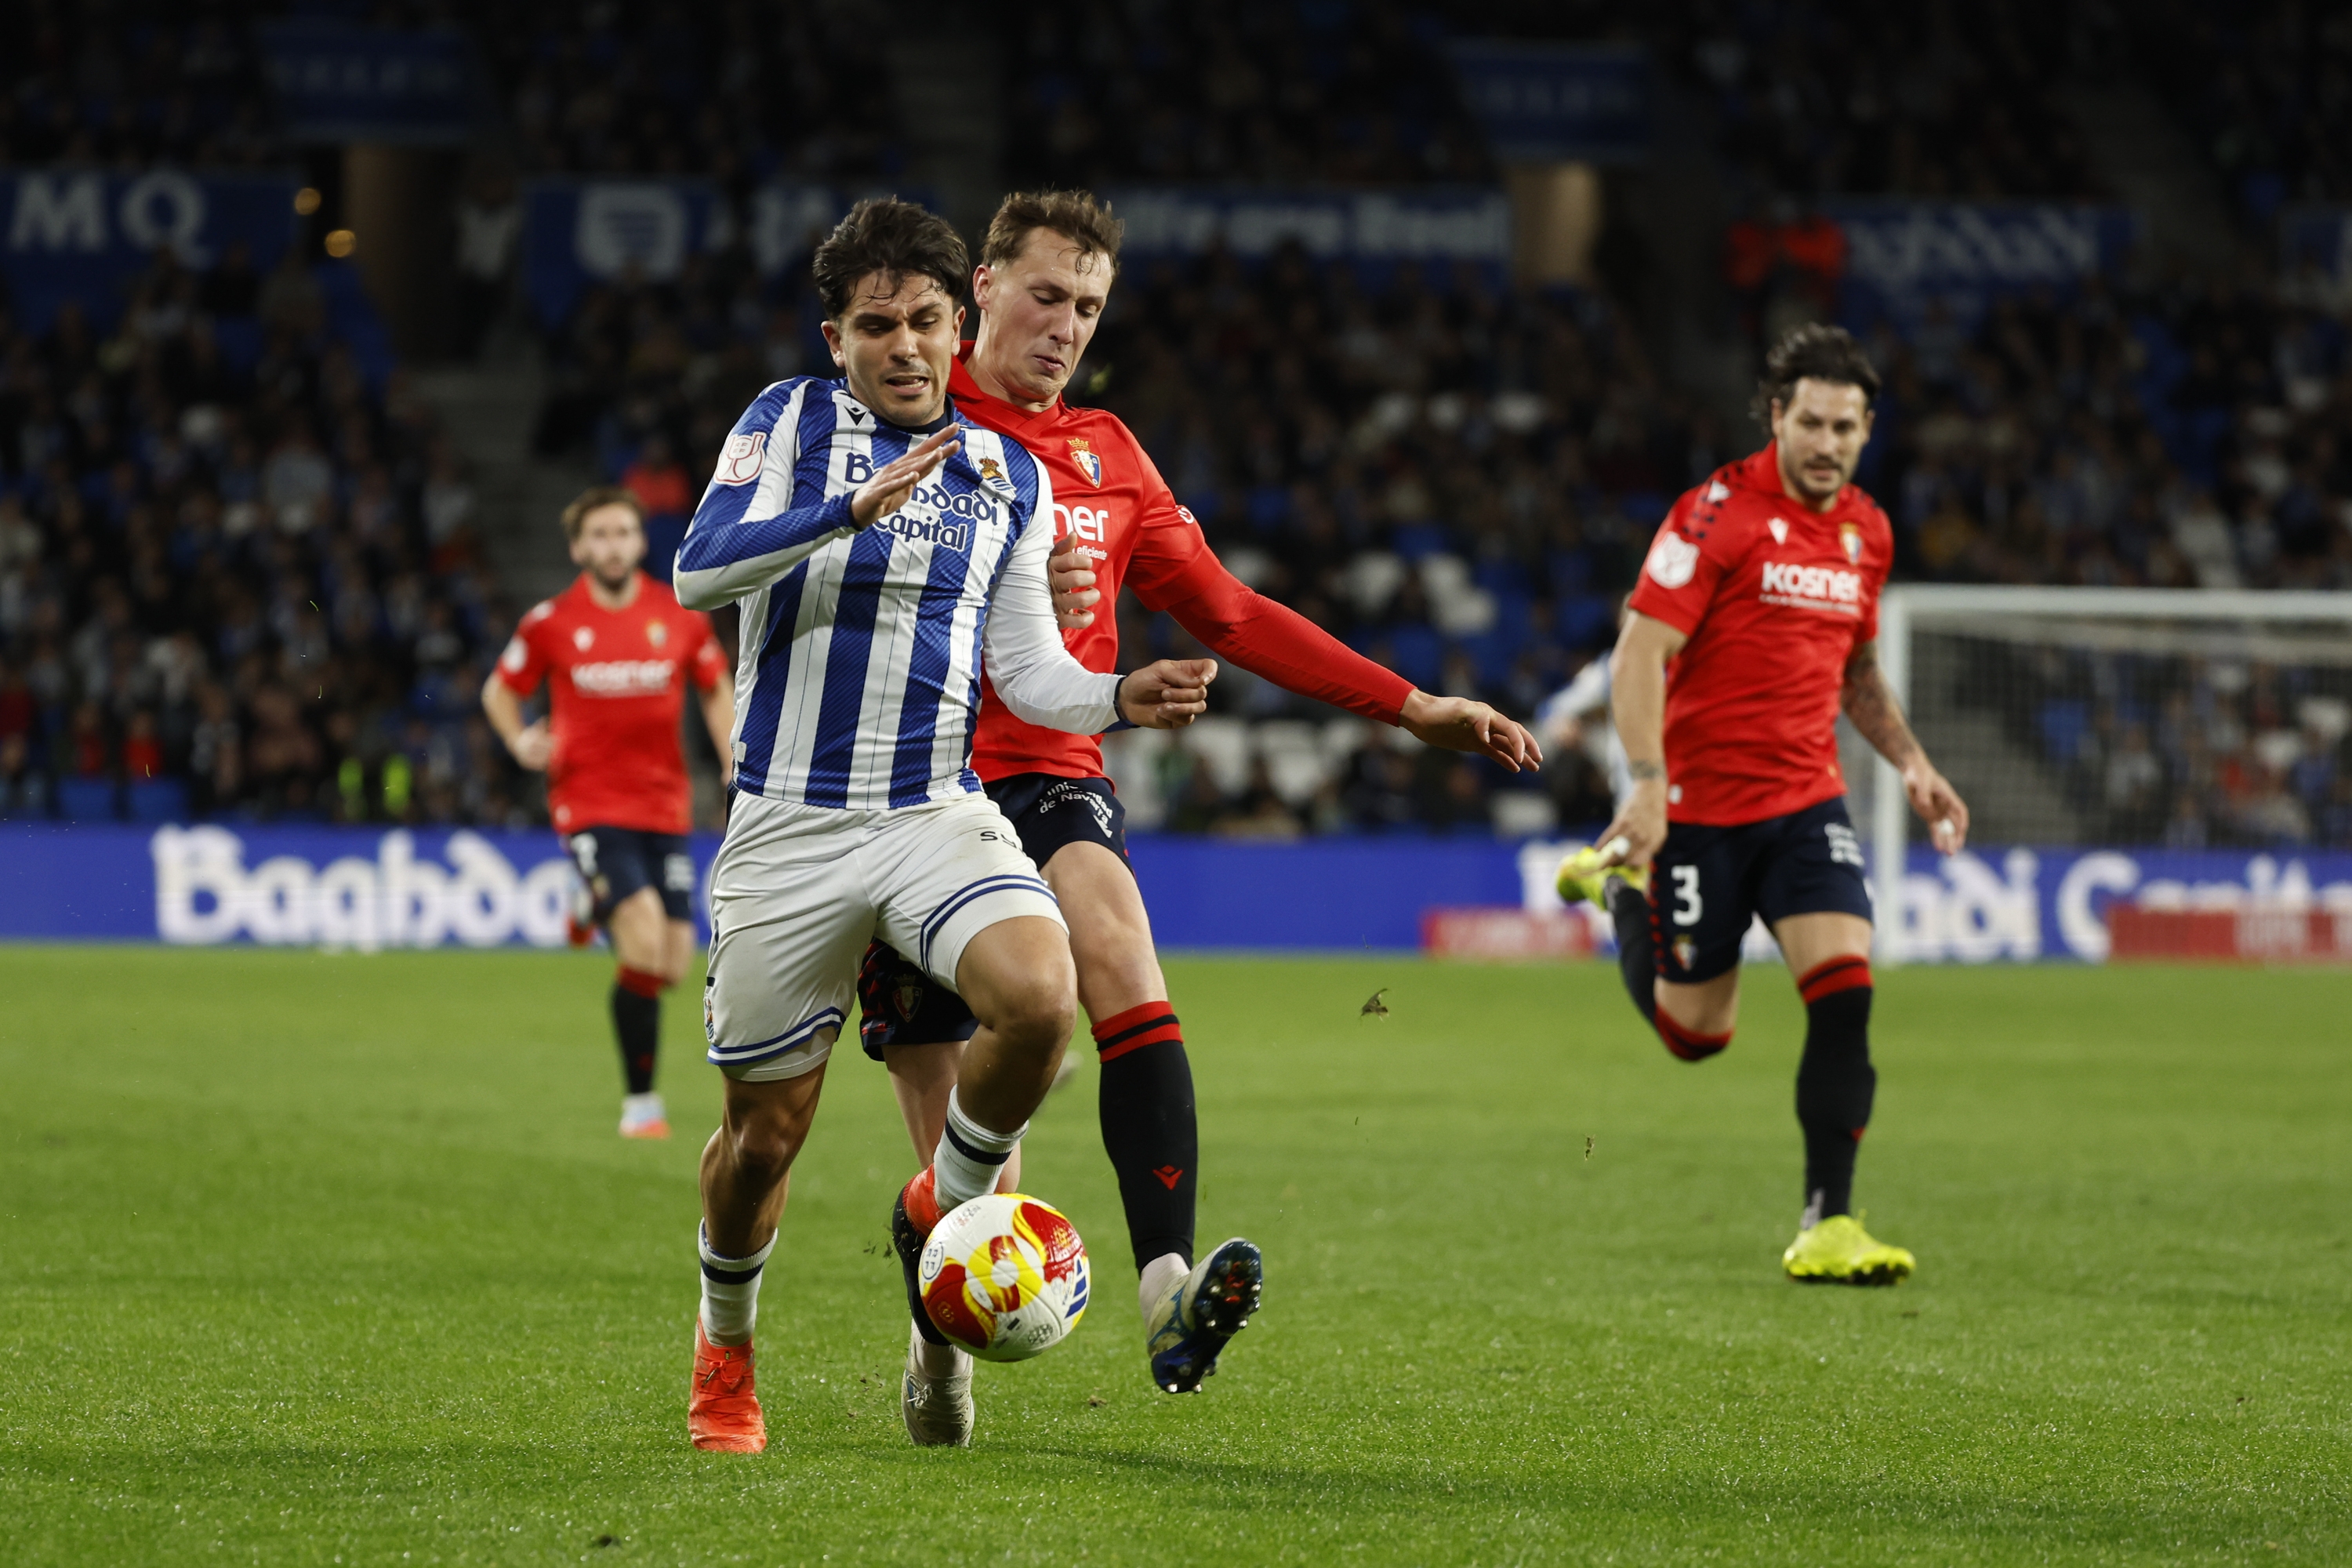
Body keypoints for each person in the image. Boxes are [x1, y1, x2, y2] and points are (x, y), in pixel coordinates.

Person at [855, 190, 1542, 1404]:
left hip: (1050, 774)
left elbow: (1230, 611)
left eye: (1089, 306)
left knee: (1123, 956)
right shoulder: (900, 417)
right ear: (983, 292)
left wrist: (1410, 705)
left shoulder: (1108, 454)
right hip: (905, 791)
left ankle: (1168, 1292)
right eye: (1047, 295)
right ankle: (937, 1351)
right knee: (976, 1171)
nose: (1067, 326)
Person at [665, 198, 1218, 1454]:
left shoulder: (1006, 475)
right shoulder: (787, 423)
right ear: (837, 339)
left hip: (932, 811)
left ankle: (945, 1200)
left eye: (924, 321)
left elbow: (1029, 674)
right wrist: (845, 513)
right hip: (791, 825)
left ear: (955, 327)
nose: (905, 345)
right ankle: (725, 1349)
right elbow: (699, 572)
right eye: (876, 326)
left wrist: (1119, 696)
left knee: (1042, 997)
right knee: (762, 1141)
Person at [1557, 323, 1969, 1286]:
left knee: (1846, 993)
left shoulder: (1868, 531)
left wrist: (1912, 762)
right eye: (1811, 422)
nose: (1827, 443)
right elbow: (1638, 654)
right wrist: (1648, 784)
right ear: (1777, 417)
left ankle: (1830, 1220)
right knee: (1695, 1036)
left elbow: (1856, 669)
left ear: (1867, 431)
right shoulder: (1716, 515)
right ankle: (1618, 890)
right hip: (1698, 808)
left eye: (1845, 427)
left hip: (1807, 803)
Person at [483, 487, 734, 1140]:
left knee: (671, 964)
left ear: (640, 541)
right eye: (599, 535)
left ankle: (590, 903)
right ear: (578, 548)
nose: (613, 546)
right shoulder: (551, 622)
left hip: (665, 802)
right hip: (588, 801)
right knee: (643, 938)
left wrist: (730, 756)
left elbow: (714, 687)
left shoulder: (677, 615)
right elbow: (499, 690)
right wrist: (519, 739)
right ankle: (641, 1106)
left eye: (623, 533)